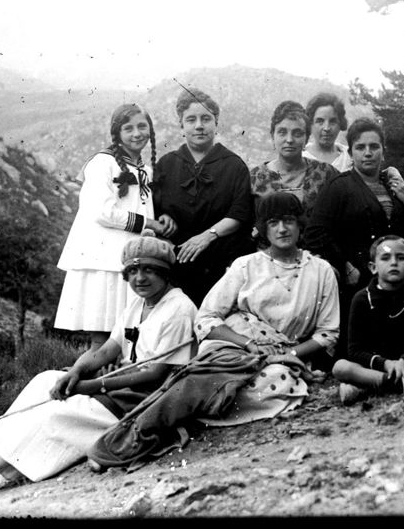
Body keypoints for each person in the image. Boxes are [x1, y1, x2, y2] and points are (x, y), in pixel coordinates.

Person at [0, 232, 196, 506]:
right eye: (133, 271)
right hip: (121, 388)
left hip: (148, 400)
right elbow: (106, 350)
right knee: (46, 380)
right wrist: (76, 372)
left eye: (149, 270)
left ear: (165, 273)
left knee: (55, 415)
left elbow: (157, 374)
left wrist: (93, 386)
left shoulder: (178, 309)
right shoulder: (137, 304)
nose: (140, 278)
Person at [86, 192, 341, 468]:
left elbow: (328, 332)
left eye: (289, 221)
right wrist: (248, 345)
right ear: (264, 229)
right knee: (200, 382)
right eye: (274, 222)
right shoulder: (246, 266)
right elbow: (206, 318)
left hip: (283, 358)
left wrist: (286, 353)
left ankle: (167, 428)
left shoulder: (321, 271)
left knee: (266, 383)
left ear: (300, 224)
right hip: (235, 347)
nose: (282, 229)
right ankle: (134, 437)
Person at [54, 103, 171, 351]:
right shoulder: (102, 163)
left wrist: (160, 221)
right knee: (102, 336)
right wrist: (148, 224)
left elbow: (144, 208)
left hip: (128, 258)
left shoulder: (144, 169)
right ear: (116, 133)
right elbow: (101, 212)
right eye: (128, 128)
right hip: (103, 259)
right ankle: (89, 379)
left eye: (142, 126)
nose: (137, 133)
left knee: (125, 334)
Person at [304, 117, 404, 359]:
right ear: (351, 152)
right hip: (359, 270)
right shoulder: (339, 186)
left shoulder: (393, 185)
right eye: (360, 147)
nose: (368, 153)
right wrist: (344, 266)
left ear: (383, 151)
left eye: (374, 147)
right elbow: (315, 233)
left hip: (396, 265)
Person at [153, 87, 254, 306]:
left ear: (216, 122)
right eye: (191, 120)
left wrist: (207, 236)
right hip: (177, 263)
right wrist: (163, 219)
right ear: (181, 124)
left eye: (206, 119)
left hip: (221, 264)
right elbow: (155, 210)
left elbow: (241, 212)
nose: (199, 125)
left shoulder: (234, 165)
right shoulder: (166, 164)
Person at [333, 235, 404, 405]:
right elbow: (355, 350)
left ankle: (369, 387)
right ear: (373, 267)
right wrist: (386, 364)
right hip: (377, 367)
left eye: (401, 258)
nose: (393, 263)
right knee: (341, 367)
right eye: (385, 258)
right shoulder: (362, 298)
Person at [249, 100, 339, 220]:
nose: (289, 139)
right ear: (272, 136)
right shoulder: (255, 177)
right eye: (282, 132)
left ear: (306, 138)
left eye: (297, 133)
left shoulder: (326, 173)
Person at [302, 92, 353, 172]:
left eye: (333, 121)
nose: (326, 128)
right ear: (310, 124)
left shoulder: (349, 157)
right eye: (320, 121)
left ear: (341, 124)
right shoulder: (300, 157)